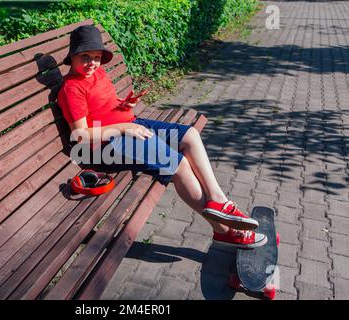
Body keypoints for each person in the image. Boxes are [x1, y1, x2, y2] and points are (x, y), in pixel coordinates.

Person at [57, 25, 267, 249]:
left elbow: (106, 104)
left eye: (97, 57)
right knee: (179, 165)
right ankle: (225, 231)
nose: (92, 63)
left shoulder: (97, 73)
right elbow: (81, 136)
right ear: (73, 56)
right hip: (108, 144)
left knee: (190, 135)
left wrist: (125, 104)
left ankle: (219, 201)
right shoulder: (72, 89)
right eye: (85, 57)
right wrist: (122, 128)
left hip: (130, 126)